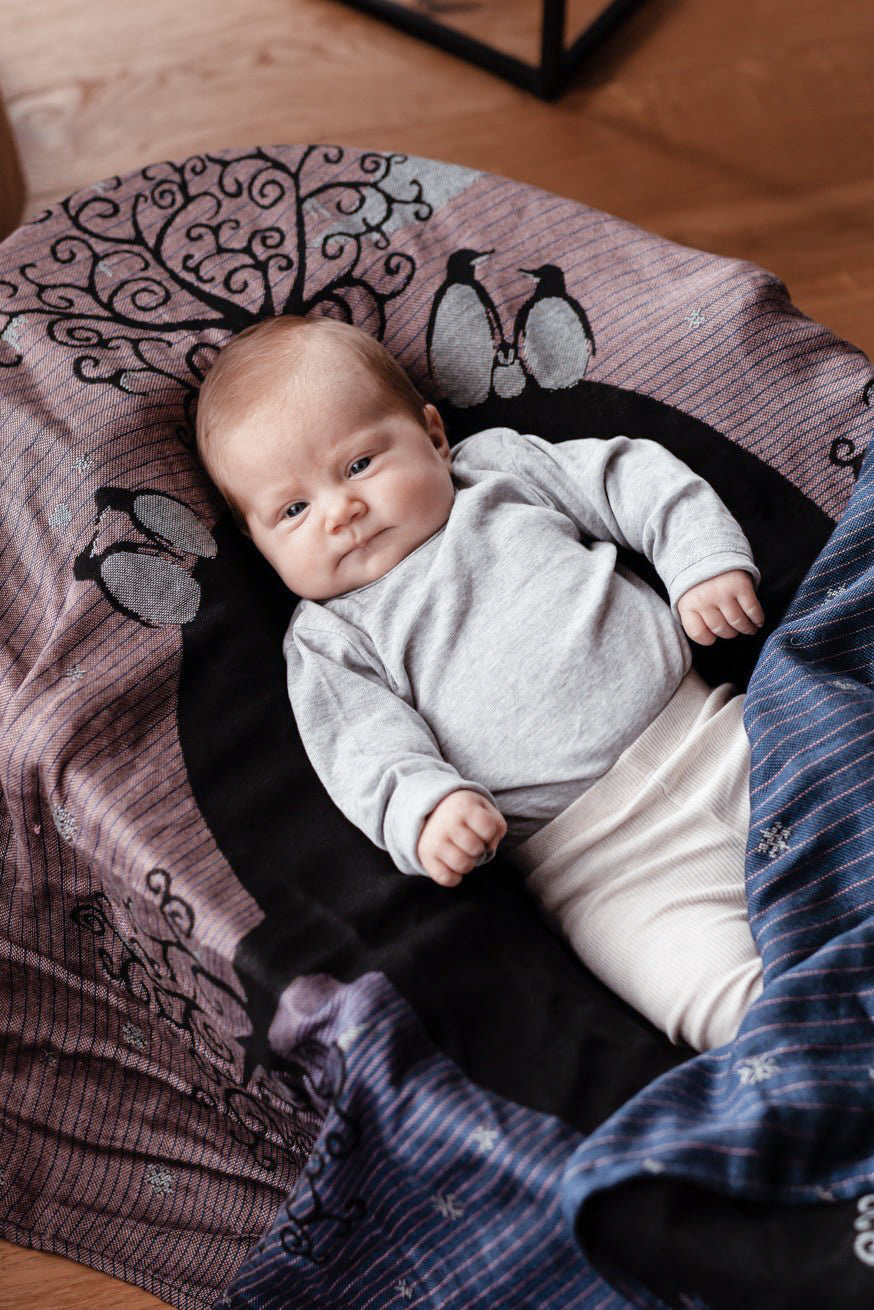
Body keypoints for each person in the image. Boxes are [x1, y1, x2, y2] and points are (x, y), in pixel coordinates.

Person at [196, 313, 767, 1051]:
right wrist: (428, 809)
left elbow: (626, 475)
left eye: (359, 464)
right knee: (722, 1004)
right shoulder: (328, 641)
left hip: (727, 737)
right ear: (260, 544)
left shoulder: (496, 471)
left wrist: (698, 561)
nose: (341, 512)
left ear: (433, 436)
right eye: (294, 510)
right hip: (605, 873)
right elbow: (364, 752)